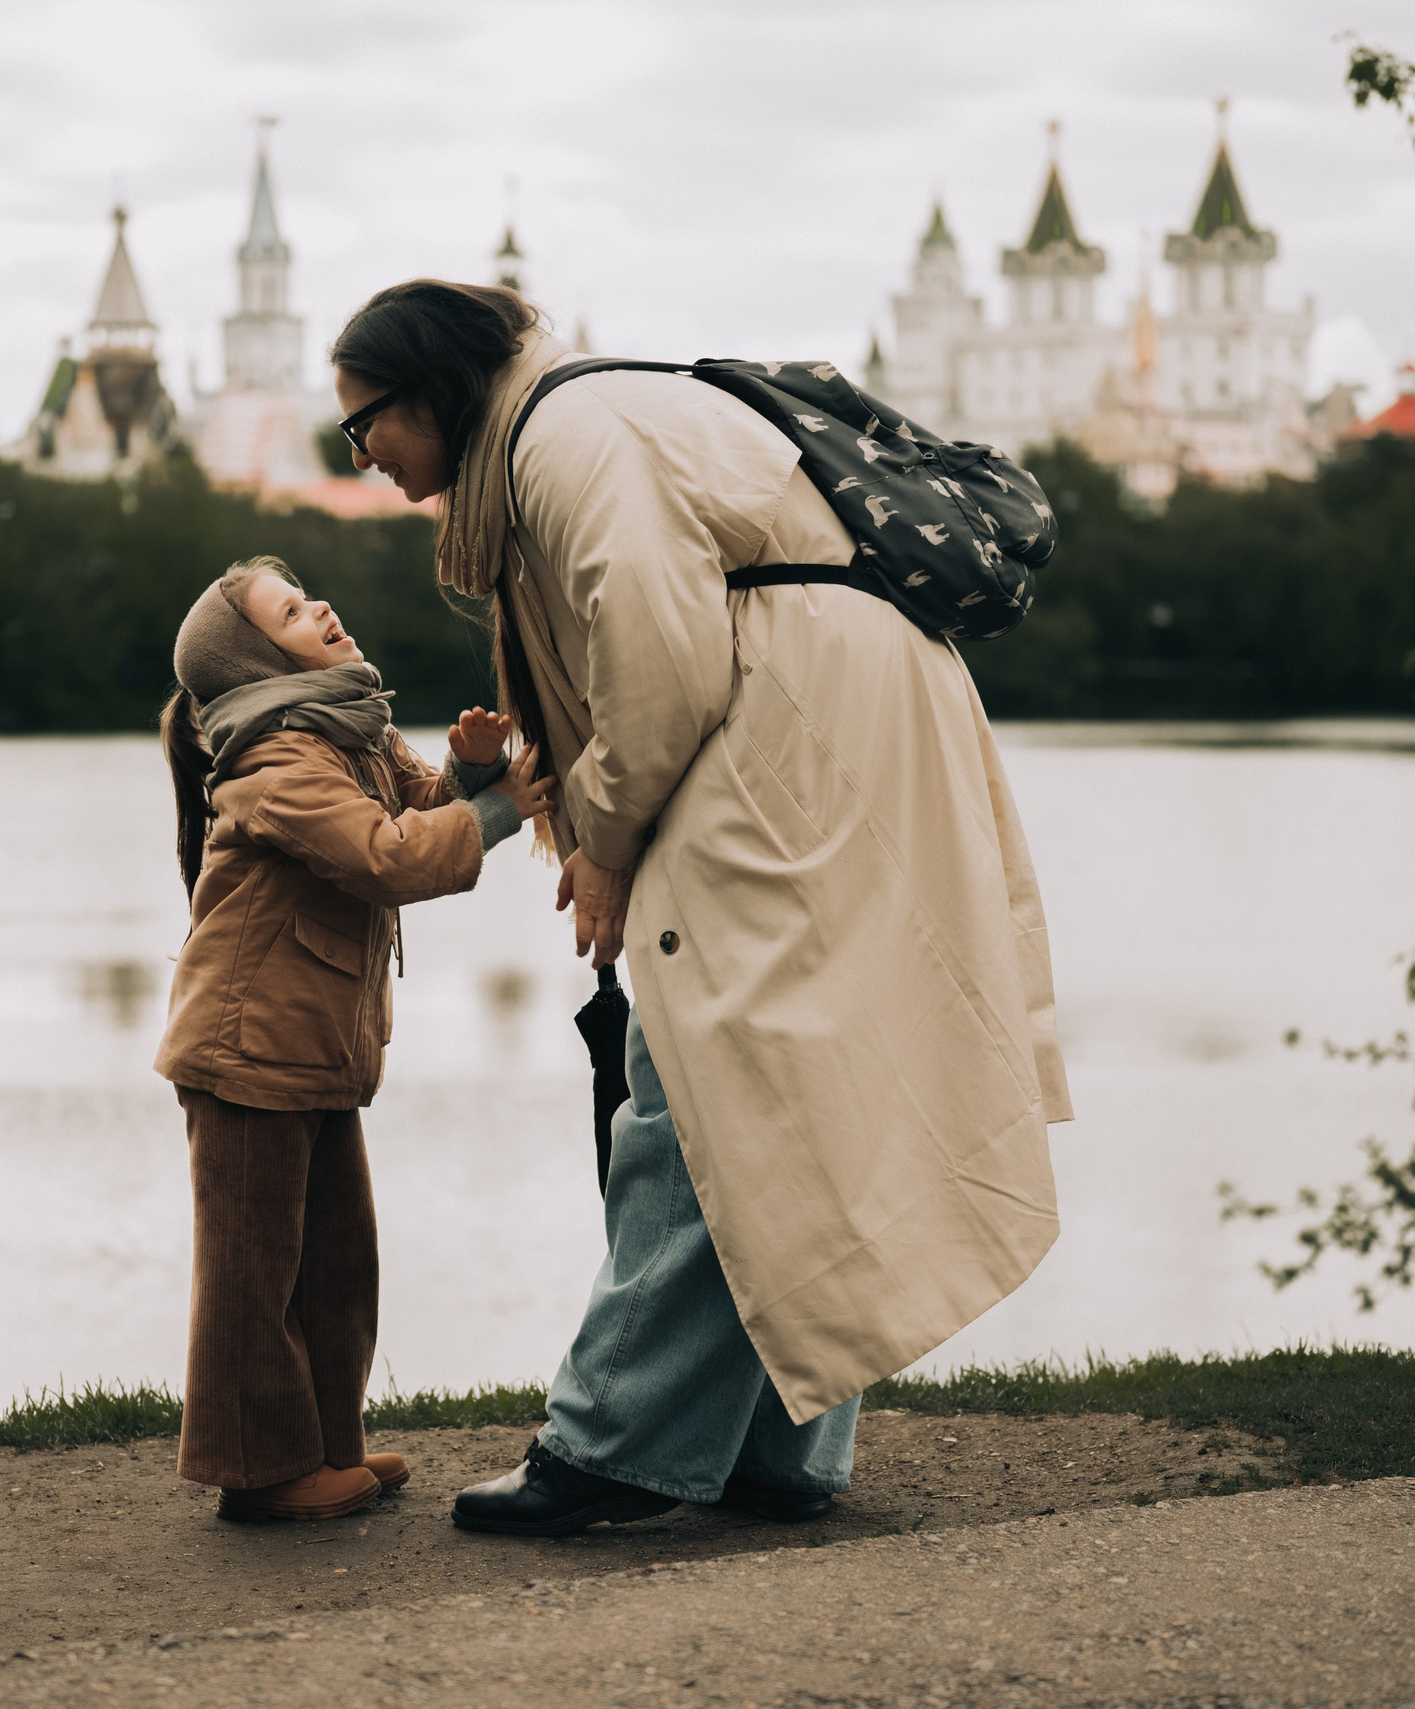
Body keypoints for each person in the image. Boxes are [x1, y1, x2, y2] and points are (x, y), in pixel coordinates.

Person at [328, 283, 1074, 1536]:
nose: (364, 457)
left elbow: (662, 668)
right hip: (815, 703)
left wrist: (606, 840)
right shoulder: (567, 427)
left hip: (788, 721)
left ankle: (614, 1441)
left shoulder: (569, 440)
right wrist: (603, 820)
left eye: (365, 426)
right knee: (786, 1071)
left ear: (434, 390)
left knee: (696, 1061)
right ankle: (774, 1445)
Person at [154, 554, 552, 1522]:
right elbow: (386, 857)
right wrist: (503, 807)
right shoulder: (276, 760)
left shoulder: (344, 729)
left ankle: (324, 1446)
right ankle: (259, 1470)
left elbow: (413, 806)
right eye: (291, 611)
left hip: (311, 1044)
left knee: (335, 1258)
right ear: (254, 659)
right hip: (247, 1048)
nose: (321, 607)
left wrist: (465, 772)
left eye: (308, 594)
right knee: (255, 1271)